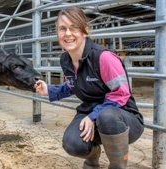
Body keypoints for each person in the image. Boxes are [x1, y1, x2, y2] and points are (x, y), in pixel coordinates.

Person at [34, 6, 144, 169]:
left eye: (74, 28)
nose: (68, 34)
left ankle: (117, 166)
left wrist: (93, 116)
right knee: (72, 143)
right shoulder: (66, 59)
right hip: (91, 114)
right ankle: (93, 156)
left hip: (122, 118)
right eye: (62, 29)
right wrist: (49, 90)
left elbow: (121, 93)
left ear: (85, 30)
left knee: (106, 117)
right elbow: (73, 85)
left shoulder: (104, 58)